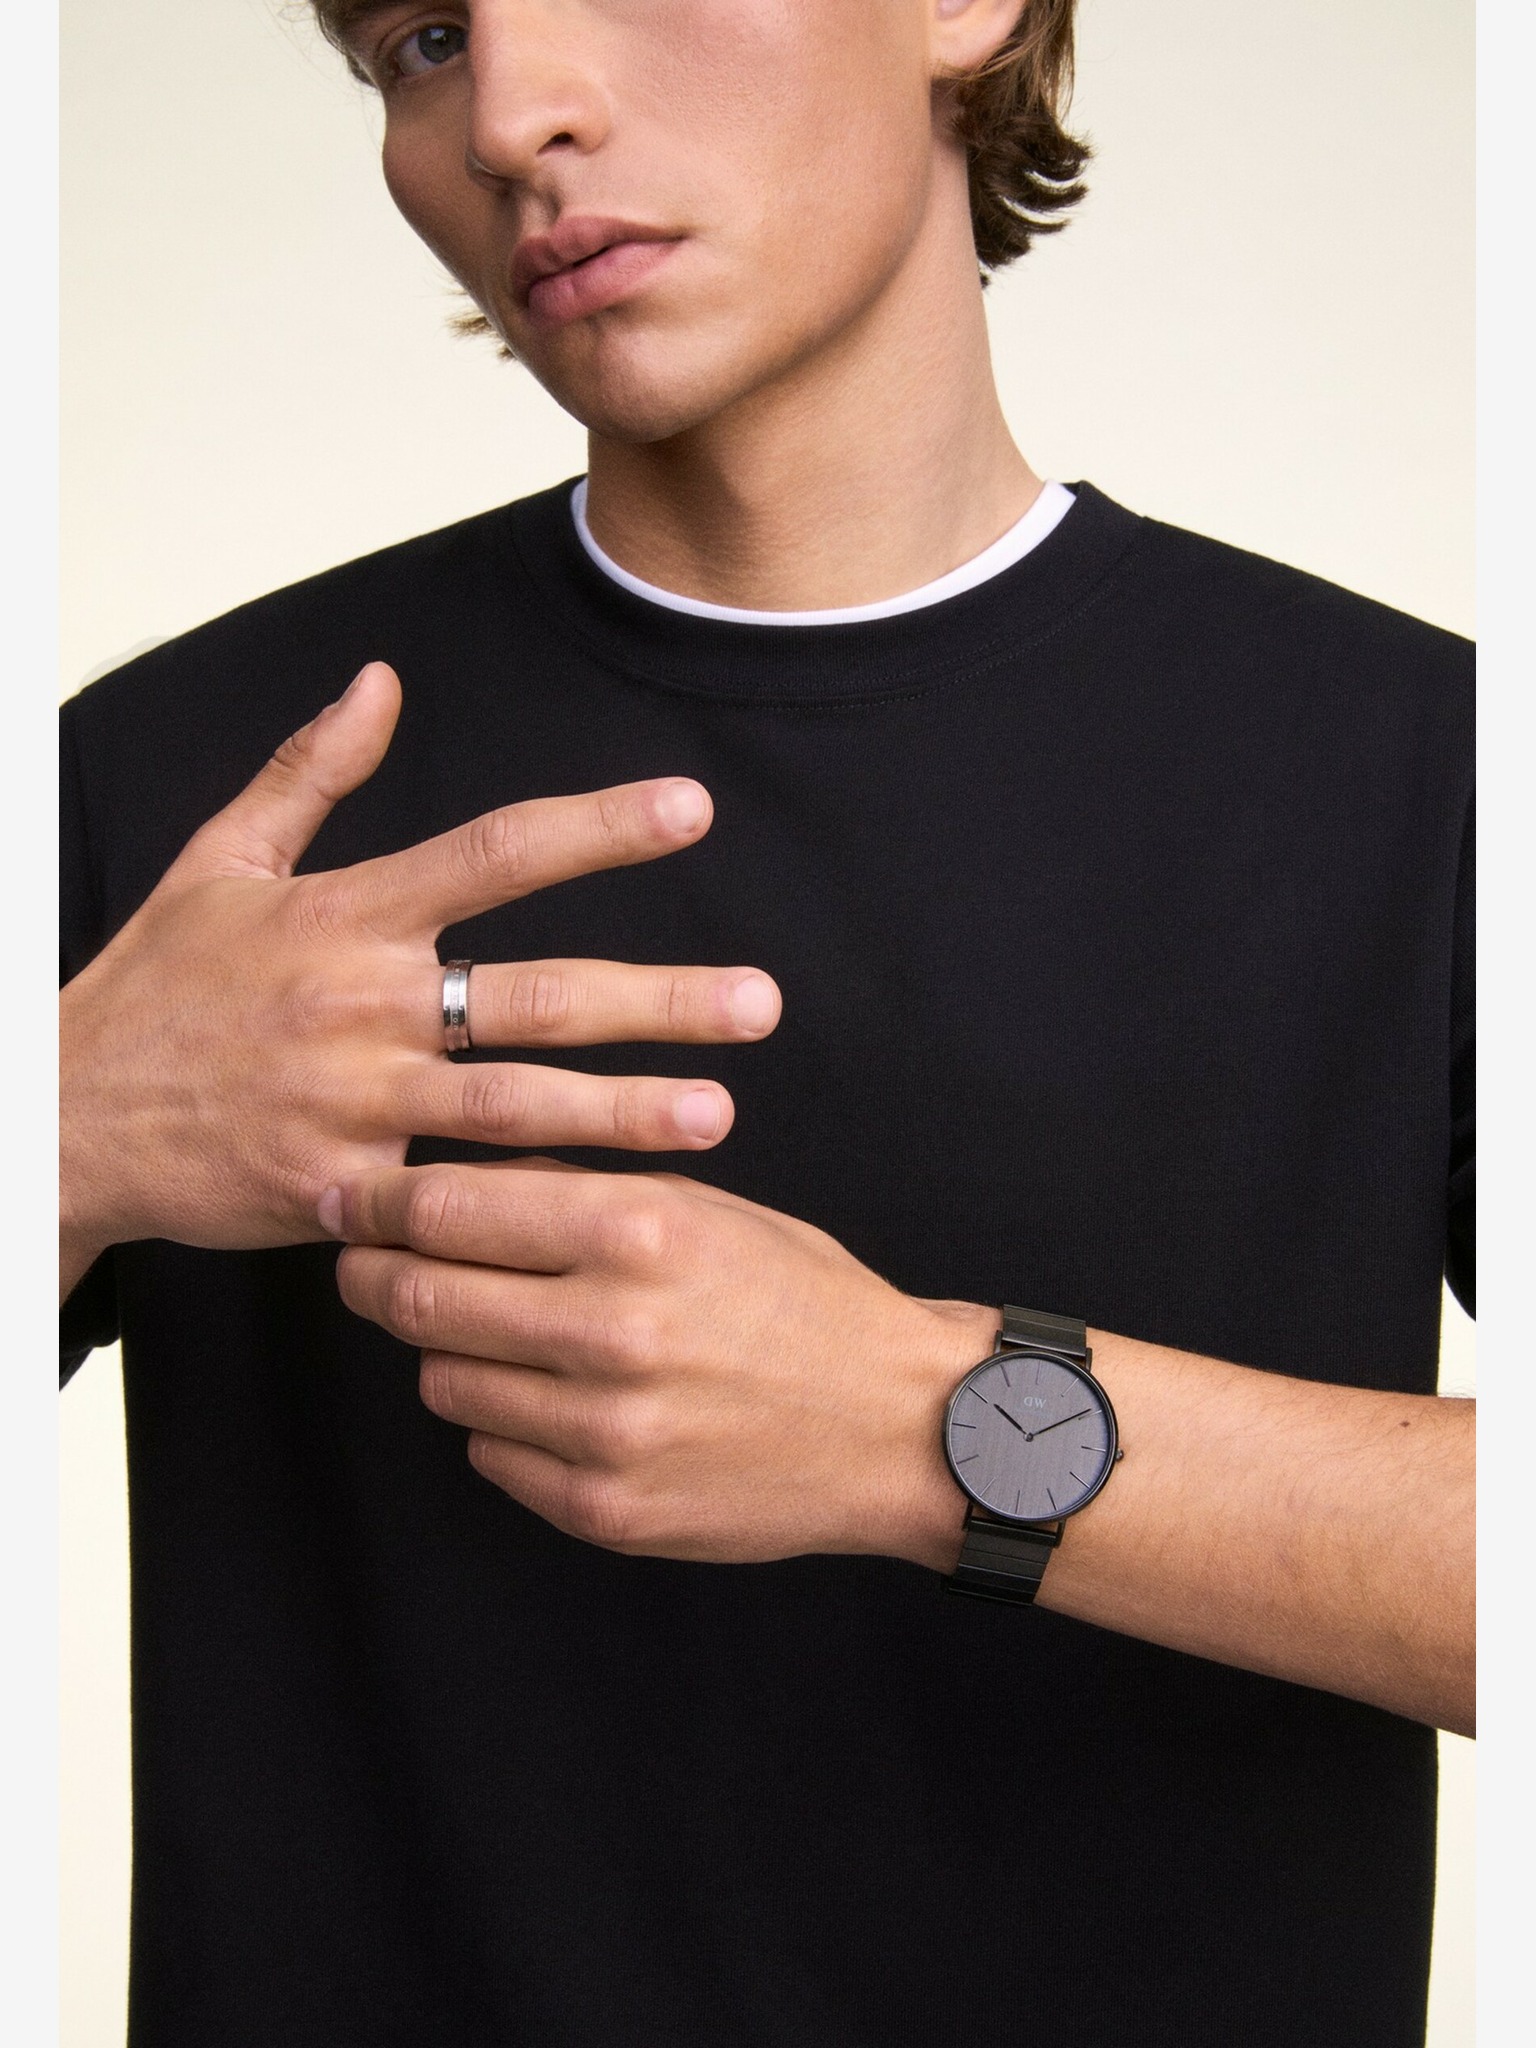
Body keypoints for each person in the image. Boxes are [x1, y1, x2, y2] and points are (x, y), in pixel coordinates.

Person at [60, 3, 1473, 2043]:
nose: (513, 114)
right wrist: (64, 1131)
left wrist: (927, 1426)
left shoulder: (1426, 772)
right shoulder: (192, 796)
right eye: (422, 40)